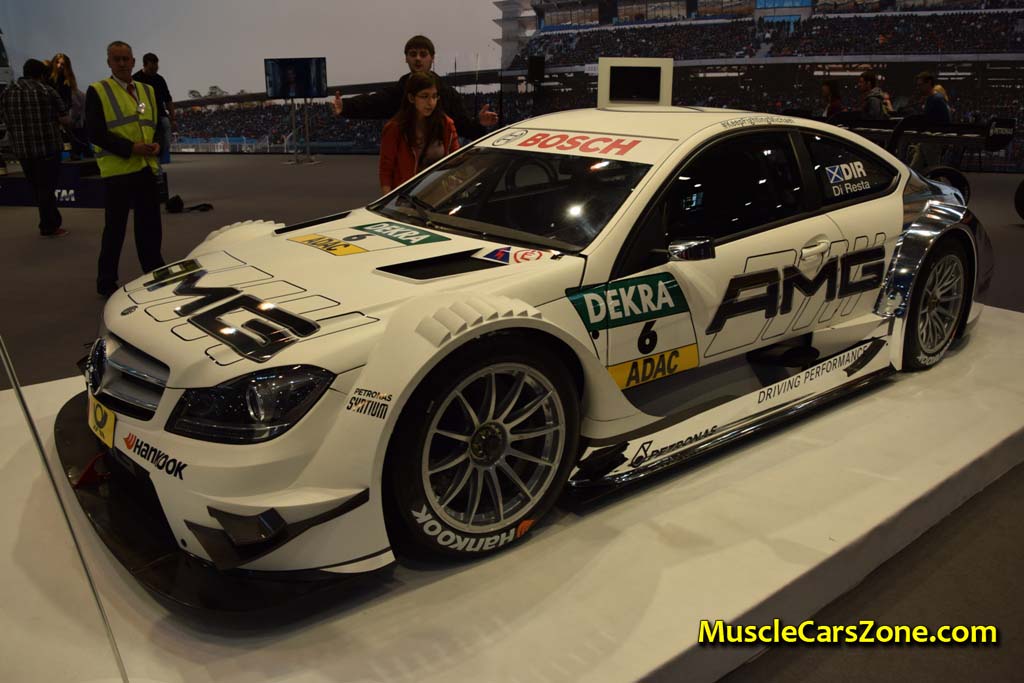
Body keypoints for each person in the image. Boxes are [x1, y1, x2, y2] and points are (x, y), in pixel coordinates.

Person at [87, 40, 165, 297]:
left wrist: (157, 144)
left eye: (125, 59)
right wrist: (131, 148)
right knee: (115, 229)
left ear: (133, 61)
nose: (122, 63)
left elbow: (155, 124)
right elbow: (95, 132)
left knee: (150, 225)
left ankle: (153, 269)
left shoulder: (148, 90)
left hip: (145, 167)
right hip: (118, 171)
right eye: (116, 59)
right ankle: (106, 281)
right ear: (109, 63)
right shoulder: (98, 91)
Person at [332, 35, 497, 141]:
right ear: (406, 58)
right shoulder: (398, 92)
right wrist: (345, 106)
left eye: (423, 54)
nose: (418, 58)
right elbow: (372, 103)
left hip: (437, 168)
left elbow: (464, 127)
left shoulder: (448, 93)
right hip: (408, 168)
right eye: (413, 54)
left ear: (432, 58)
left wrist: (480, 123)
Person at [0, 58, 71, 237]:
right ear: (42, 75)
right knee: (47, 188)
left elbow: (4, 117)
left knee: (37, 188)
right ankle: (49, 226)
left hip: (23, 151)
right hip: (47, 149)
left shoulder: (7, 92)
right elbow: (64, 118)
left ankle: (48, 223)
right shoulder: (46, 91)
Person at [378, 72, 459, 194]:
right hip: (406, 197)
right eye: (425, 96)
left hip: (441, 196)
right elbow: (386, 170)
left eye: (434, 96)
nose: (431, 102)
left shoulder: (446, 124)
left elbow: (456, 160)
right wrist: (388, 201)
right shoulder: (394, 128)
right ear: (411, 98)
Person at [132, 52, 175, 165]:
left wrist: (173, 118)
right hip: (144, 113)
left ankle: (160, 156)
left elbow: (168, 99)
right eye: (151, 69)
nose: (154, 71)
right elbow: (134, 100)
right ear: (144, 65)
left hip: (160, 113)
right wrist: (140, 115)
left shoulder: (160, 79)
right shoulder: (136, 79)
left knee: (166, 132)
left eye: (156, 68)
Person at [47, 53, 88, 159]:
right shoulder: (48, 76)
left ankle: (75, 151)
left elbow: (67, 99)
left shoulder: (65, 81)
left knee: (68, 134)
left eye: (62, 64)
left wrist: (64, 112)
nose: (59, 66)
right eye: (57, 63)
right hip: (53, 110)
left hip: (60, 111)